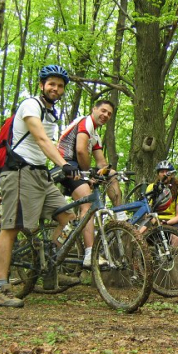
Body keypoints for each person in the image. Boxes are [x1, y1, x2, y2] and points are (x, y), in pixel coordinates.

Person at [0, 64, 80, 308]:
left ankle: (48, 264)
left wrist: (75, 168)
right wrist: (64, 164)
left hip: (41, 175)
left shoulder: (52, 113)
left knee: (68, 217)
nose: (55, 88)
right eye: (51, 84)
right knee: (12, 227)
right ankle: (0, 288)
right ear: (42, 85)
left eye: (60, 86)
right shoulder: (31, 105)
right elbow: (41, 139)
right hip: (20, 172)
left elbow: (50, 145)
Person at [57, 99, 122, 268]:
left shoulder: (95, 136)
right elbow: (80, 150)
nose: (106, 115)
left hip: (78, 169)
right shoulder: (85, 122)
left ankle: (119, 213)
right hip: (65, 165)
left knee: (112, 174)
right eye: (103, 111)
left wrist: (109, 172)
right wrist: (87, 175)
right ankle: (89, 253)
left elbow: (101, 162)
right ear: (94, 109)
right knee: (88, 205)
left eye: (109, 114)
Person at [145, 160, 178, 228]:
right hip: (153, 220)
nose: (164, 174)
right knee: (139, 232)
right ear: (158, 174)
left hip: (171, 221)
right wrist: (155, 222)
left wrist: (166, 223)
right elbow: (147, 211)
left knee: (175, 235)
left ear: (171, 175)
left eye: (167, 172)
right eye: (162, 172)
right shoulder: (151, 187)